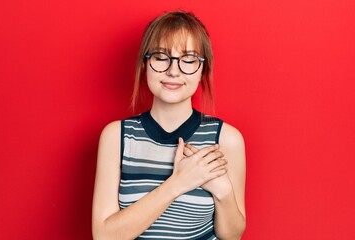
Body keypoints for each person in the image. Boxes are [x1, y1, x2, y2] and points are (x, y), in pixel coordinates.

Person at [92, 10, 246, 240]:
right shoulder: (116, 136)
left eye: (189, 60)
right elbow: (104, 237)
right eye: (161, 57)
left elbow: (231, 236)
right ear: (145, 64)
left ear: (203, 69)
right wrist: (178, 183)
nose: (173, 71)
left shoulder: (227, 139)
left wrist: (223, 191)